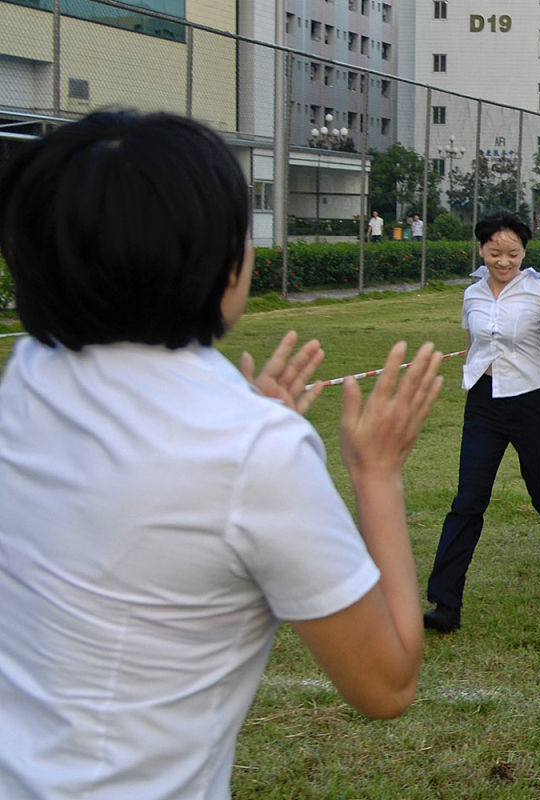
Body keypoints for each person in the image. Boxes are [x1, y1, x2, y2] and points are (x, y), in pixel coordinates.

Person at [0, 110, 443, 799]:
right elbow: (387, 683)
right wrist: (377, 473)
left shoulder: (27, 374)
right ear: (220, 264)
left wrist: (238, 420)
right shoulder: (254, 450)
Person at [423, 213, 540, 635]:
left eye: (512, 252)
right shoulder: (472, 294)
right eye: (495, 252)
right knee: (468, 500)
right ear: (481, 250)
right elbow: (473, 342)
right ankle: (445, 601)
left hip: (529, 400)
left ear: (524, 251)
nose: (503, 260)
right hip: (482, 404)